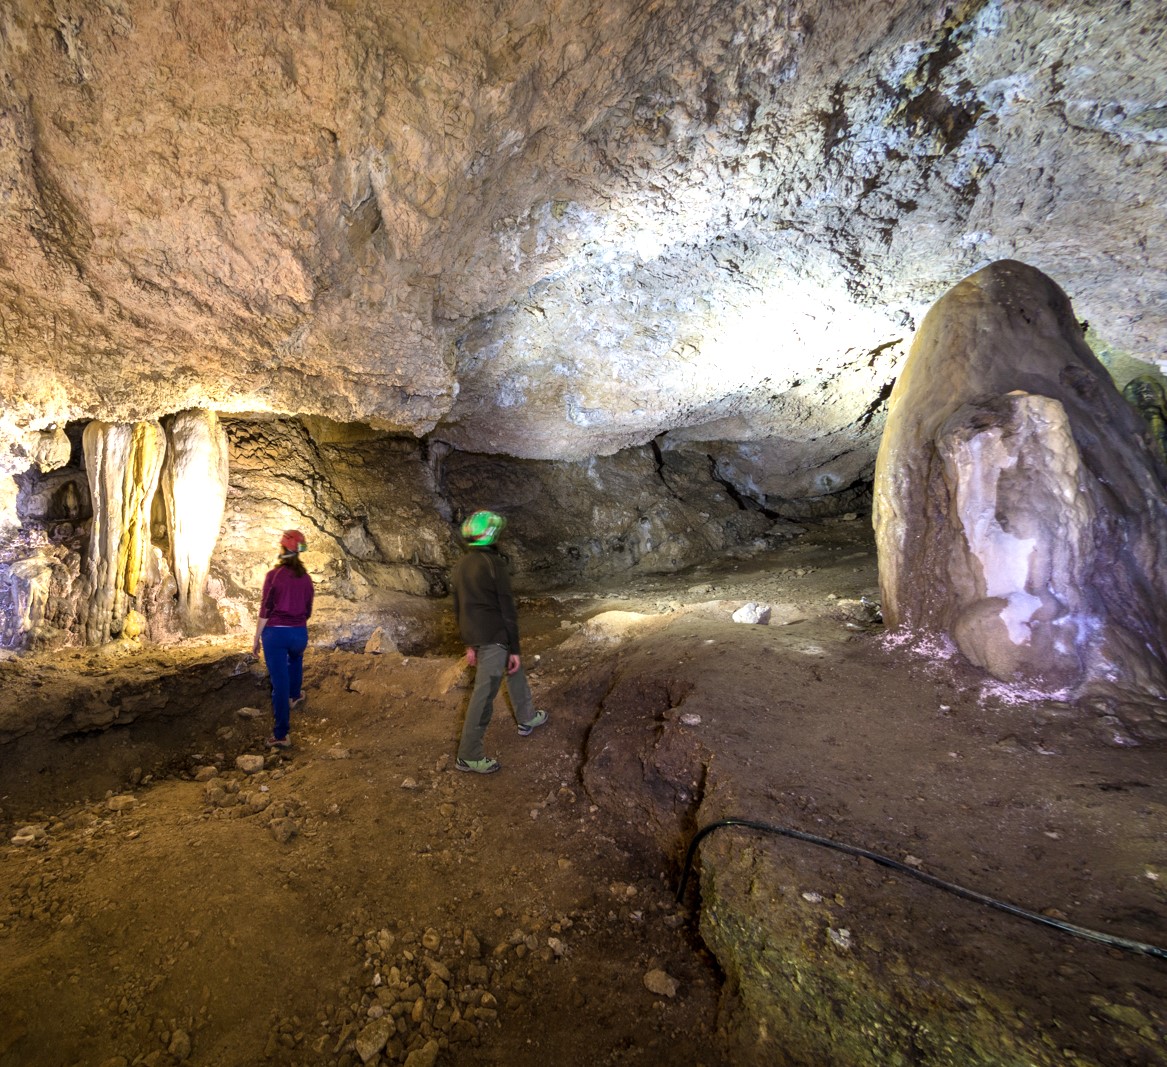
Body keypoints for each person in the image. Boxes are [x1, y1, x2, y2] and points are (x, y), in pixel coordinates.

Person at [451, 510, 547, 773]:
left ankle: (527, 716)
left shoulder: (461, 565)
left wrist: (469, 644)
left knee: (515, 673)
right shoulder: (494, 564)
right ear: (491, 534)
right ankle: (469, 755)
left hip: (478, 636)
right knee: (484, 696)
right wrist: (514, 648)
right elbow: (507, 609)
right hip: (495, 637)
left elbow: (460, 608)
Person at [253, 529, 314, 749]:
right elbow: (307, 610)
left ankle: (281, 735)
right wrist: (296, 625)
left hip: (276, 635)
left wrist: (256, 638)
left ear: (282, 548)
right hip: (299, 633)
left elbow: (266, 608)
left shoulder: (274, 575)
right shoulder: (306, 579)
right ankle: (295, 696)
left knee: (279, 684)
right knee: (295, 658)